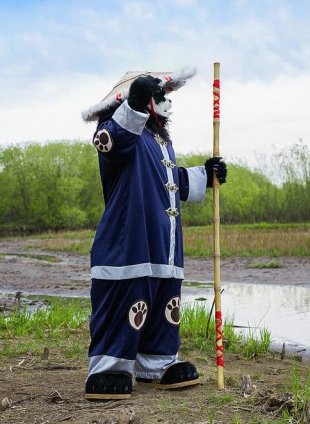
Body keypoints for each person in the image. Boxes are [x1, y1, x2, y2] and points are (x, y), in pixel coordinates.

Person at [81, 69, 227, 400]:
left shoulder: (159, 140)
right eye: (158, 95)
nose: (166, 101)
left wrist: (206, 174)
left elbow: (169, 178)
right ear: (136, 101)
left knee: (164, 302)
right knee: (125, 299)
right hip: (127, 242)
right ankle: (109, 368)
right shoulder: (116, 131)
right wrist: (134, 104)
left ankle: (157, 363)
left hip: (165, 243)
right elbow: (112, 143)